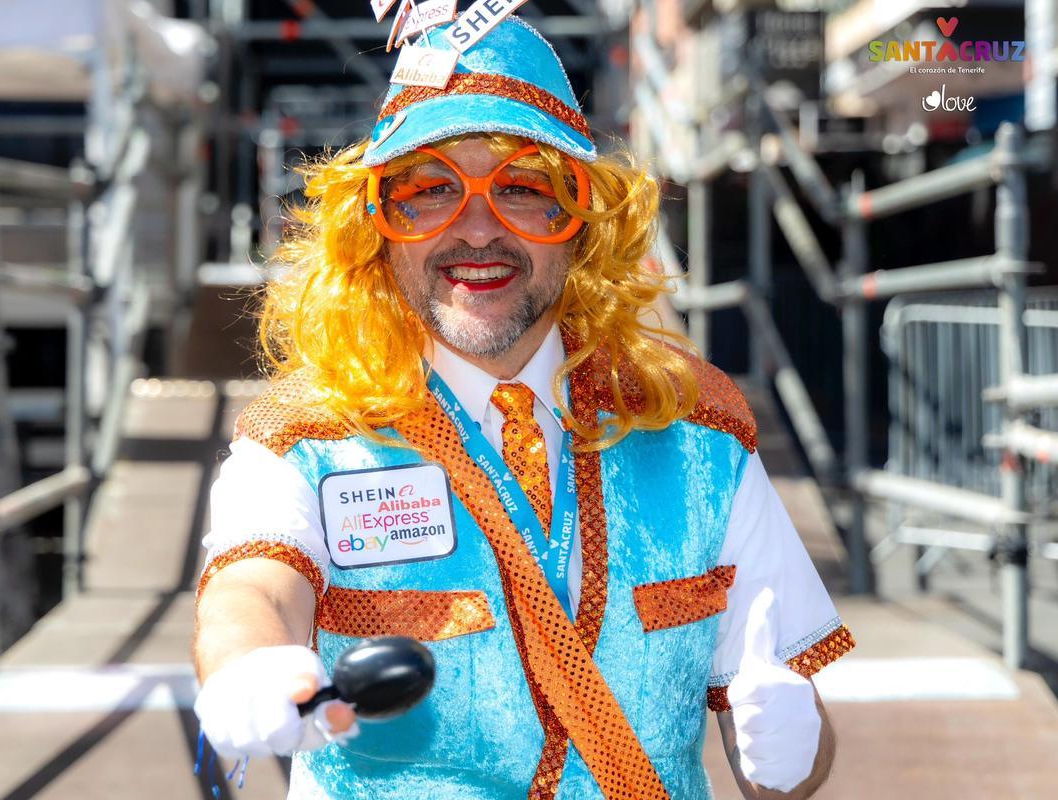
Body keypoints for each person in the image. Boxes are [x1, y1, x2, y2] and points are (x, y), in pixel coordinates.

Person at [193, 15, 854, 800]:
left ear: (584, 226)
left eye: (525, 189)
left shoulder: (697, 431)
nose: (478, 230)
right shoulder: (305, 434)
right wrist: (254, 663)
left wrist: (787, 745)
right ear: (376, 229)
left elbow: (789, 770)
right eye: (429, 190)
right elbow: (252, 589)